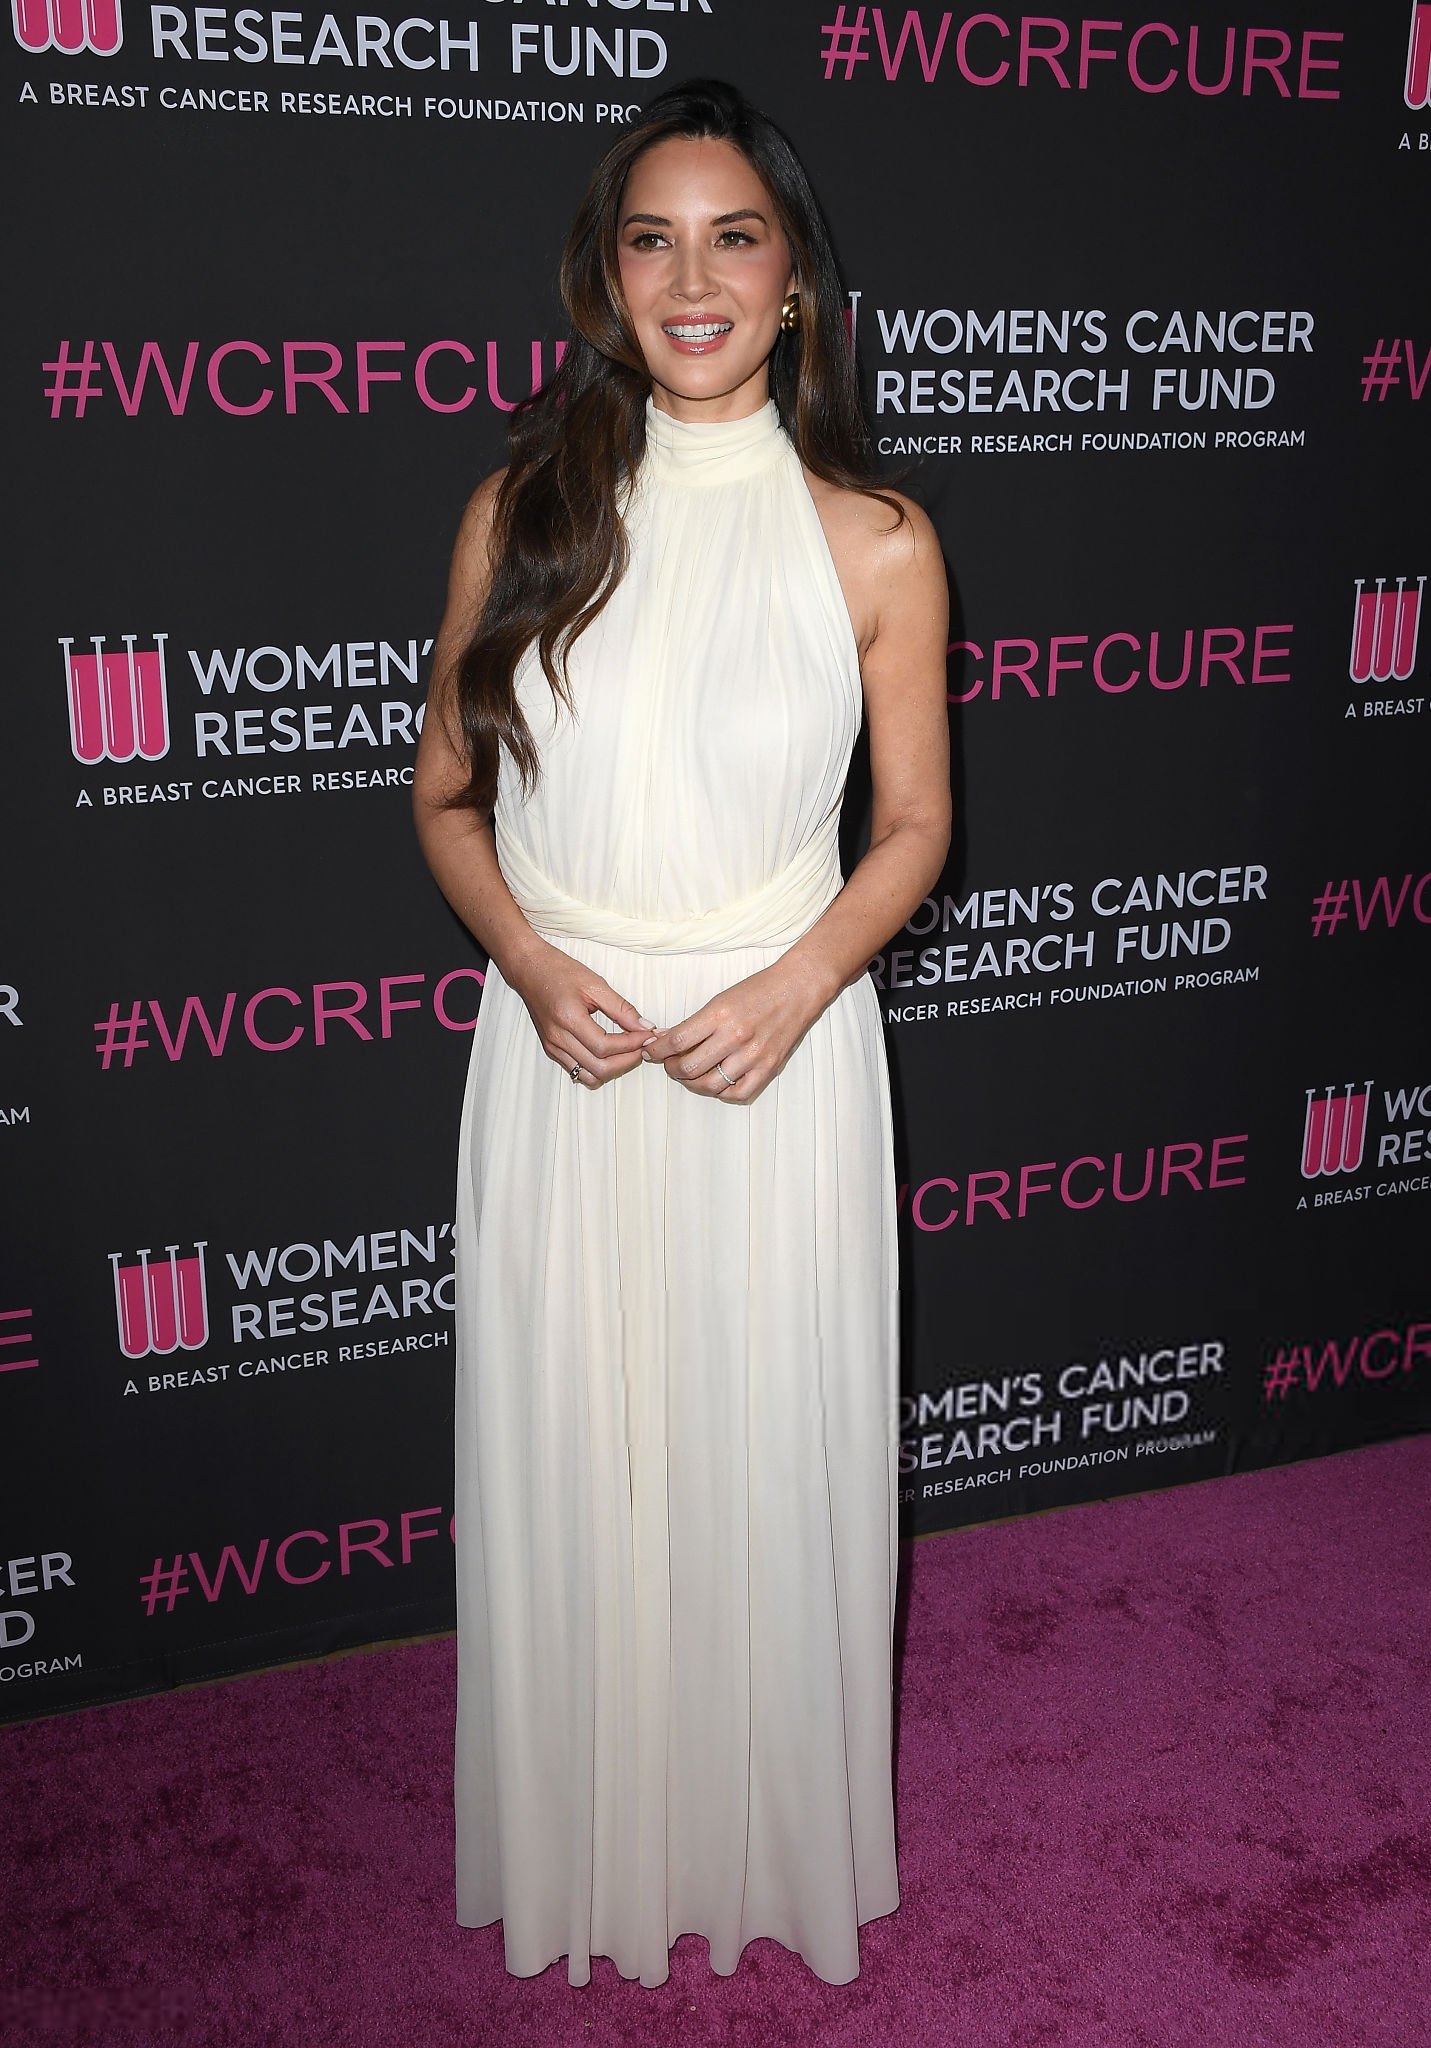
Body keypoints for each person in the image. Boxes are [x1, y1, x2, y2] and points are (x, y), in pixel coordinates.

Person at [412, 77, 951, 1989]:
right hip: (564, 1061)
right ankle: (593, 1840)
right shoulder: (523, 513)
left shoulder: (875, 539)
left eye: (735, 238)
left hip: (773, 1062)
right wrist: (530, 963)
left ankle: (760, 1834)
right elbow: (447, 803)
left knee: (759, 1459)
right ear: (607, 278)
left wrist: (794, 988)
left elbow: (913, 828)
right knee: (581, 1463)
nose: (694, 279)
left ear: (795, 281)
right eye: (654, 240)